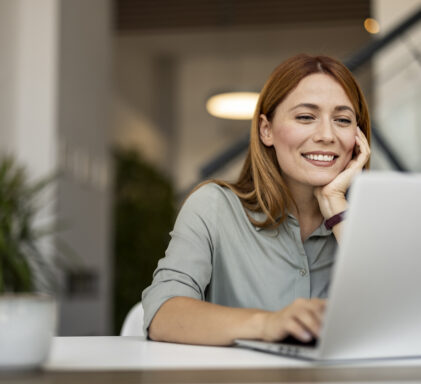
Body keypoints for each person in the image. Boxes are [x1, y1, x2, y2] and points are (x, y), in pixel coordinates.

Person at [142, 53, 371, 346]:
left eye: (342, 120)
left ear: (358, 136)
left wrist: (338, 209)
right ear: (267, 130)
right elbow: (163, 314)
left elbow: (404, 321)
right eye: (305, 117)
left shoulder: (372, 220)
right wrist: (268, 323)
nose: (327, 135)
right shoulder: (213, 207)